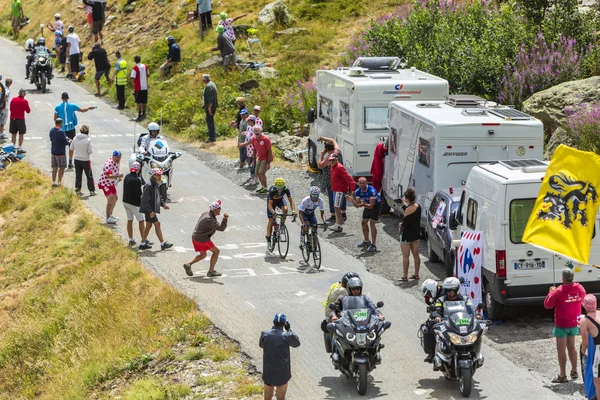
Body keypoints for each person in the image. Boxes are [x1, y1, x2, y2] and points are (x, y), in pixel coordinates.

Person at [544, 268, 586, 383]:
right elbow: (583, 299)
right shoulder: (580, 288)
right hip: (574, 323)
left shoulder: (558, 291)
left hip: (562, 324)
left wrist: (550, 292)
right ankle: (574, 371)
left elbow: (547, 305)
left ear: (563, 278)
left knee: (561, 349)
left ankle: (562, 375)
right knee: (572, 347)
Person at [429, 277, 481, 367]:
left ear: (457, 289)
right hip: (448, 325)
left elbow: (472, 309)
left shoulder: (465, 299)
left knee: (478, 332)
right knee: (434, 331)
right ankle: (436, 355)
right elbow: (437, 310)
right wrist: (437, 316)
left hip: (462, 325)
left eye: (451, 290)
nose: (449, 292)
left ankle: (476, 354)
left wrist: (477, 315)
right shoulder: (440, 300)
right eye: (447, 290)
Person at [259, 313, 301, 400]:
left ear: (273, 322)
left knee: (267, 397)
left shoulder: (265, 334)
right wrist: (289, 329)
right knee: (281, 397)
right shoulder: (287, 336)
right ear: (284, 323)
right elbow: (296, 343)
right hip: (282, 370)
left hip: (268, 368)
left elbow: (261, 345)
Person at [183, 200, 228, 277]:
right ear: (215, 210)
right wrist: (225, 219)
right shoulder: (210, 219)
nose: (220, 210)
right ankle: (211, 271)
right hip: (202, 239)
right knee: (216, 252)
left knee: (203, 255)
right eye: (219, 208)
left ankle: (188, 264)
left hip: (195, 237)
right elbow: (221, 228)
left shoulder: (206, 214)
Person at [54, 92, 95, 168]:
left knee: (61, 146)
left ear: (61, 98)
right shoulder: (72, 106)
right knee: (71, 146)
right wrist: (89, 107)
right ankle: (70, 162)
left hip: (61, 130)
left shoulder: (57, 107)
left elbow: (55, 119)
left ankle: (62, 162)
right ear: (68, 98)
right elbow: (82, 110)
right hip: (71, 129)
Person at [321, 272, 360, 353]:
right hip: (333, 312)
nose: (356, 289)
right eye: (353, 287)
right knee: (339, 330)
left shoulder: (337, 285)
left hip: (336, 309)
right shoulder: (343, 292)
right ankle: (337, 346)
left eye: (357, 287)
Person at [138, 168, 173, 250]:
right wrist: (150, 211)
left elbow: (158, 196)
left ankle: (142, 244)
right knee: (157, 224)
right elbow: (144, 200)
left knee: (149, 225)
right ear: (153, 175)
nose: (160, 176)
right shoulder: (149, 186)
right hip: (149, 210)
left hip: (150, 209)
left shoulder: (155, 184)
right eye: (158, 175)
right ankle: (162, 243)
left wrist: (163, 204)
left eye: (160, 174)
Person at [347, 177, 381, 252]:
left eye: (364, 183)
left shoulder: (372, 191)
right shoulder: (358, 191)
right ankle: (366, 241)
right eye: (360, 183)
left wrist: (363, 205)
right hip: (367, 205)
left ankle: (374, 244)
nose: (362, 184)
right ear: (358, 184)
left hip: (376, 205)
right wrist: (352, 201)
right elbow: (358, 206)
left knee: (372, 223)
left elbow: (371, 206)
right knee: (363, 222)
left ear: (366, 183)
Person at [317, 137, 345, 222]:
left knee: (332, 196)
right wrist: (322, 138)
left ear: (327, 149)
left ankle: (333, 214)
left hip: (331, 179)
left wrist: (322, 154)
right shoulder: (338, 151)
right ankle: (343, 213)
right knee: (341, 195)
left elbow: (320, 165)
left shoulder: (329, 157)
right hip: (341, 178)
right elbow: (333, 140)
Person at [238, 125, 272, 193]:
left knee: (261, 173)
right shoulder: (254, 139)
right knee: (257, 173)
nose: (256, 132)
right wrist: (253, 160)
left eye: (257, 130)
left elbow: (270, 151)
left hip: (265, 158)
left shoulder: (265, 139)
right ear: (253, 132)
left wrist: (268, 162)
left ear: (260, 131)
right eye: (255, 131)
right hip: (259, 158)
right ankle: (263, 187)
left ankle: (265, 187)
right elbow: (255, 150)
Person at [398, 187, 421, 281]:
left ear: (407, 198)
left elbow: (405, 222)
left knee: (405, 256)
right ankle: (416, 274)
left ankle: (405, 276)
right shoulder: (418, 206)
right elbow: (411, 217)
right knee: (416, 254)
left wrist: (400, 225)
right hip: (415, 234)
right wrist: (403, 205)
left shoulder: (408, 209)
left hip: (406, 235)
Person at [328, 153, 355, 232]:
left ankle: (338, 225)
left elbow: (348, 178)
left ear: (337, 159)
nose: (331, 162)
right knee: (336, 207)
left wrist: (352, 189)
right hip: (335, 189)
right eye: (330, 160)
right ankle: (337, 223)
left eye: (333, 160)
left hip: (340, 190)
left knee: (337, 207)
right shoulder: (333, 167)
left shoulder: (340, 167)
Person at [266, 178, 296, 245]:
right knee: (271, 220)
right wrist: (273, 212)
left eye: (281, 188)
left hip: (280, 200)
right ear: (275, 186)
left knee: (285, 209)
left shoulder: (285, 189)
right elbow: (269, 205)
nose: (279, 190)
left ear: (283, 186)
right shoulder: (272, 190)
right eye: (278, 188)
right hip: (272, 202)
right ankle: (268, 239)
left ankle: (282, 224)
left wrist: (293, 211)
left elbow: (291, 201)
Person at [580, 294, 599, 399]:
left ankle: (592, 394)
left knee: (594, 374)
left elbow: (585, 342)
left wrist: (583, 350)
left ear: (584, 306)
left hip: (596, 348)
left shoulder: (584, 320)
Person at [122, 161, 146, 246]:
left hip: (125, 202)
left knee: (130, 220)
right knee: (141, 220)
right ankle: (144, 240)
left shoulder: (127, 176)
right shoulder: (137, 179)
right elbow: (139, 194)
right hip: (134, 204)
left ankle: (131, 239)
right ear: (139, 169)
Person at [98, 150, 123, 224]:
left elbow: (115, 172)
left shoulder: (117, 163)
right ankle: (108, 217)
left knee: (115, 198)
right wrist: (118, 176)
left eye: (119, 157)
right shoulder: (108, 164)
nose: (118, 159)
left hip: (111, 183)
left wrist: (117, 179)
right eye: (117, 157)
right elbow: (108, 176)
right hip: (104, 183)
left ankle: (111, 214)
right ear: (113, 156)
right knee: (110, 198)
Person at [70, 125, 95, 196]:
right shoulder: (88, 140)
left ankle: (78, 190)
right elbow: (90, 151)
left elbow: (71, 148)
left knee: (78, 175)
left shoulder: (75, 138)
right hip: (85, 160)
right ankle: (91, 190)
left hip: (77, 159)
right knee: (89, 175)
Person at [49, 118, 71, 187]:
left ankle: (53, 182)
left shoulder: (51, 130)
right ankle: (59, 182)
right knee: (62, 168)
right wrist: (69, 141)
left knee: (54, 168)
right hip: (61, 153)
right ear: (60, 123)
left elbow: (52, 139)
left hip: (53, 152)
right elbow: (65, 142)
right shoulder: (61, 131)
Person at [9, 88, 30, 154]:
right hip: (20, 119)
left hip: (12, 119)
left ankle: (12, 147)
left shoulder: (13, 99)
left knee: (13, 134)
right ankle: (20, 148)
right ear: (23, 94)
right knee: (21, 134)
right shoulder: (24, 101)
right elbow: (28, 111)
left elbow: (10, 109)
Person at [131, 55, 149, 121]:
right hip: (145, 87)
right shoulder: (145, 66)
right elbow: (148, 74)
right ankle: (144, 114)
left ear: (135, 60)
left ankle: (139, 115)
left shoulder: (135, 68)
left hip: (138, 87)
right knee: (144, 101)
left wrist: (133, 86)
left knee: (138, 102)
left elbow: (133, 78)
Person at [201, 74, 218, 142]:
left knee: (209, 121)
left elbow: (211, 98)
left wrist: (209, 108)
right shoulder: (211, 84)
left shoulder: (209, 86)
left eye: (203, 79)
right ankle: (213, 135)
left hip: (211, 107)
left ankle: (212, 137)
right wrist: (205, 104)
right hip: (209, 106)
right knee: (210, 121)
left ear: (205, 79)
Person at [241, 115, 257, 185]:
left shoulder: (255, 129)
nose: (247, 121)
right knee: (250, 163)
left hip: (253, 149)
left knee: (252, 163)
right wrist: (246, 133)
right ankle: (253, 177)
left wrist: (243, 144)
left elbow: (252, 140)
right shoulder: (250, 127)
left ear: (252, 121)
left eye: (249, 120)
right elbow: (249, 135)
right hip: (249, 149)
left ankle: (254, 179)